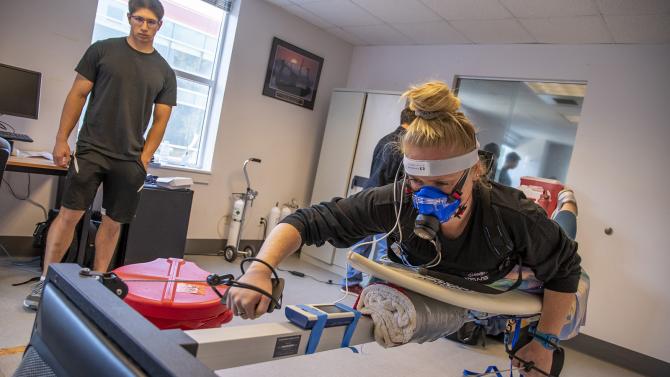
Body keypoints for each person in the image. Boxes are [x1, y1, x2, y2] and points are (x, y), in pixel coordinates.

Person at [228, 81, 586, 376]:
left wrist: (547, 341)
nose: (426, 196)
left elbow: (566, 268)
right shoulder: (396, 201)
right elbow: (306, 221)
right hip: (462, 278)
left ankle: (566, 201)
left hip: (515, 272)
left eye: (444, 185)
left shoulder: (512, 214)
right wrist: (260, 269)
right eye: (416, 182)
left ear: (475, 172)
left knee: (563, 233)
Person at [23, 0, 177, 310]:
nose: (144, 26)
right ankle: (45, 282)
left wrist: (144, 158)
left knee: (112, 222)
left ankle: (98, 282)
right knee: (69, 215)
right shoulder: (103, 50)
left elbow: (161, 120)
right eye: (139, 19)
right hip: (91, 149)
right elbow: (77, 95)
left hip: (129, 159)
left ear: (160, 25)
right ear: (129, 18)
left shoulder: (164, 71)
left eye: (151, 22)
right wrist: (61, 140)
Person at [341, 108, 416, 294]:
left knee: (361, 244)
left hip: (369, 196)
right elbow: (398, 179)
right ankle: (376, 288)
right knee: (385, 251)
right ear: (416, 122)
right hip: (387, 203)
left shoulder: (385, 139)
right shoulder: (404, 145)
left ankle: (350, 282)